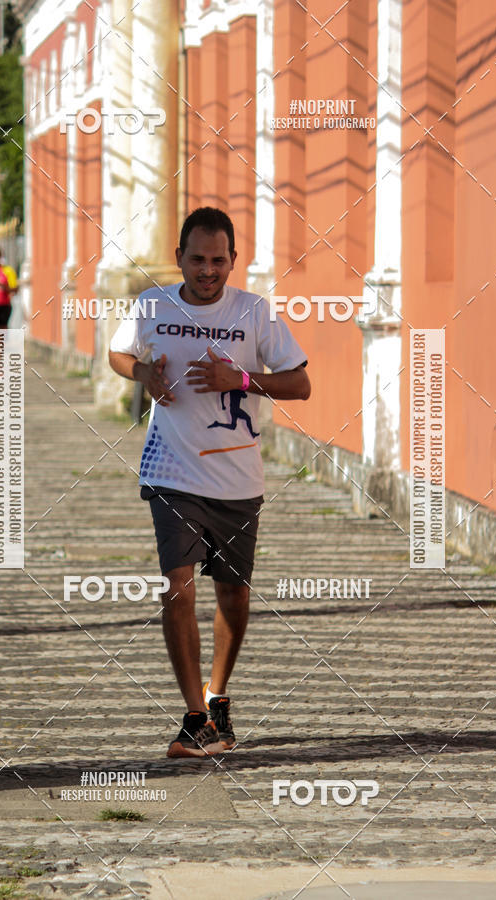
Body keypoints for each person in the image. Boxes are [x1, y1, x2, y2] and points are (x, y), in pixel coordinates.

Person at [109, 207, 311, 759]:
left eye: (218, 260)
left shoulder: (254, 313)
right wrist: (143, 374)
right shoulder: (152, 305)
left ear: (233, 261)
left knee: (232, 593)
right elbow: (118, 353)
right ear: (178, 257)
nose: (207, 270)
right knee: (178, 588)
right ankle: (194, 717)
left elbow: (301, 383)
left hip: (237, 477)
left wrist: (239, 378)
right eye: (197, 259)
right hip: (170, 471)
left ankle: (218, 697)